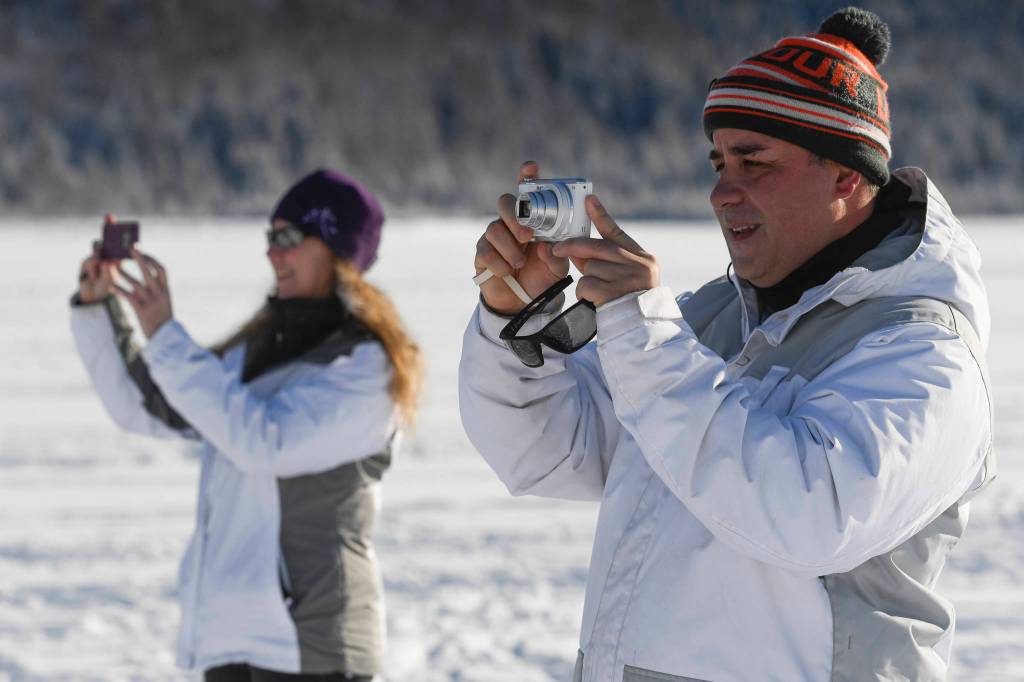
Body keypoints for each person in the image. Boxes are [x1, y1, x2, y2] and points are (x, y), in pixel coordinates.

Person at [460, 8, 993, 681]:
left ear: (847, 176)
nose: (721, 191)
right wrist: (516, 317)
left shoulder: (923, 352)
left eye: (753, 161)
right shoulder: (708, 320)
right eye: (718, 160)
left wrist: (642, 335)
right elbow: (544, 455)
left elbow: (810, 514)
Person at [71, 170, 422, 681]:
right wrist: (98, 307)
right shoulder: (255, 353)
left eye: (287, 239)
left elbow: (266, 442)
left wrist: (168, 337)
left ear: (336, 249)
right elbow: (147, 405)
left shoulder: (367, 368)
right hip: (232, 642)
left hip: (312, 647)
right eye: (268, 238)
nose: (272, 254)